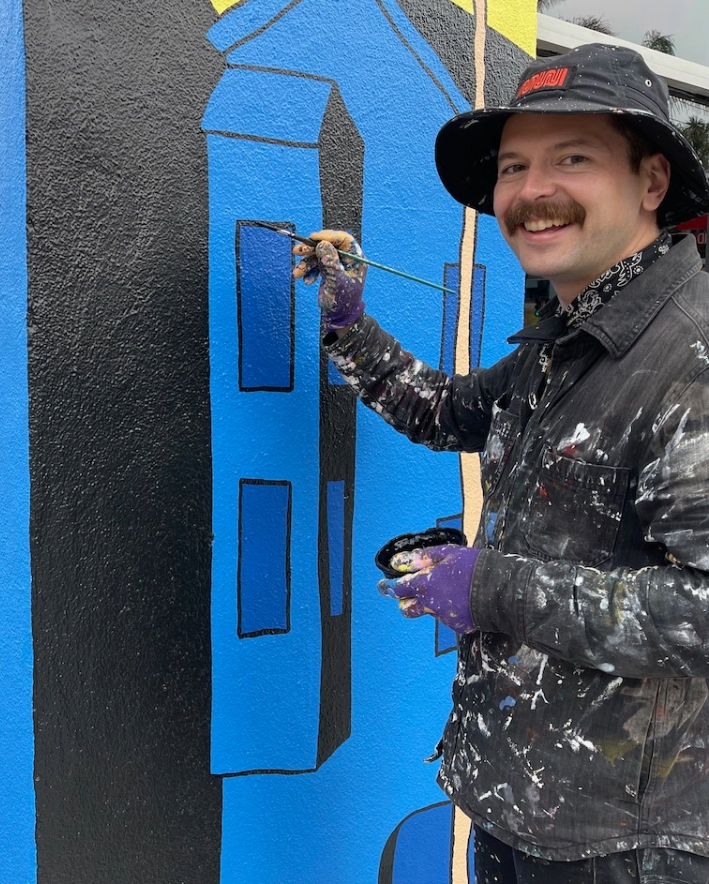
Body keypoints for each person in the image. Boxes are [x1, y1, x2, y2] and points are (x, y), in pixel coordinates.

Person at [299, 43, 709, 883]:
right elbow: (443, 411)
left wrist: (488, 587)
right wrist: (348, 320)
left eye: (573, 157)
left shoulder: (690, 360)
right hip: (524, 800)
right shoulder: (570, 341)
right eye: (514, 165)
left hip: (622, 843)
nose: (532, 191)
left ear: (653, 182)